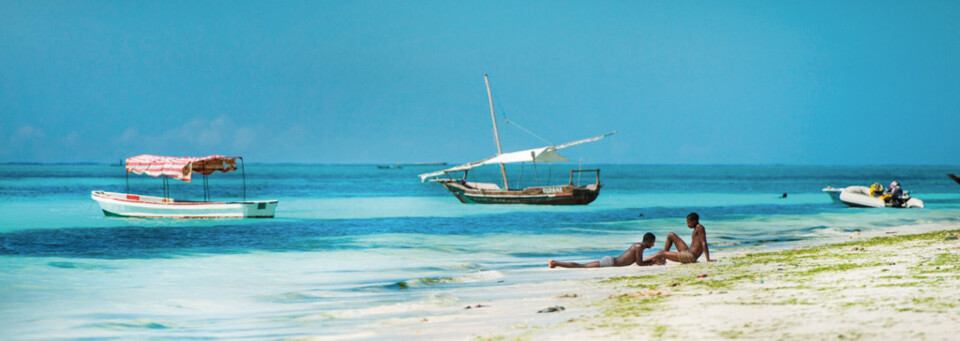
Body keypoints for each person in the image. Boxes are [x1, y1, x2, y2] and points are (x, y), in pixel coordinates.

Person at [549, 233, 662, 268]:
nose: (653, 245)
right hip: (610, 262)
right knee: (581, 266)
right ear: (647, 241)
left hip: (611, 261)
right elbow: (639, 263)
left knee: (582, 265)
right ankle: (555, 262)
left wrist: (653, 261)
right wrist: (652, 262)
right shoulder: (639, 247)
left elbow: (640, 262)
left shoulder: (639, 247)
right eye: (652, 242)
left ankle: (555, 263)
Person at [646, 212, 712, 264]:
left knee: (661, 253)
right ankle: (663, 259)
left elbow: (704, 243)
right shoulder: (696, 228)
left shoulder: (700, 227)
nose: (688, 225)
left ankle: (643, 261)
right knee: (671, 235)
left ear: (694, 221)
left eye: (689, 222)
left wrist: (708, 259)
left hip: (690, 256)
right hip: (688, 251)